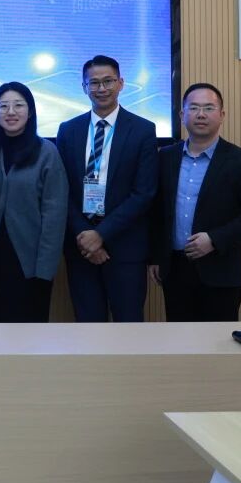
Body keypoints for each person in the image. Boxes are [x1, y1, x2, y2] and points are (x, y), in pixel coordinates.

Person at [148, 83, 241, 322]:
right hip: (175, 269)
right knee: (179, 338)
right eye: (193, 108)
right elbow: (156, 212)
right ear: (182, 115)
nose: (201, 114)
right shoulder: (166, 157)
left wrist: (214, 239)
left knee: (218, 340)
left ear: (221, 115)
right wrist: (155, 257)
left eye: (208, 108)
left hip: (220, 269)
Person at [54, 55, 157, 322]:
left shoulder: (143, 130)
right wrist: (85, 236)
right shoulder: (68, 130)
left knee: (128, 326)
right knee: (88, 326)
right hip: (81, 249)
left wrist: (101, 234)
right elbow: (61, 190)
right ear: (84, 87)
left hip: (125, 249)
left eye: (108, 81)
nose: (101, 88)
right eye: (94, 83)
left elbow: (144, 193)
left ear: (121, 83)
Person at [0, 82, 68, 323]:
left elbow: (55, 214)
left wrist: (45, 269)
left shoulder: (47, 152)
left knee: (32, 333)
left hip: (32, 263)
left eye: (18, 105)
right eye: (3, 106)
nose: (11, 112)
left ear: (30, 112)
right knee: (0, 327)